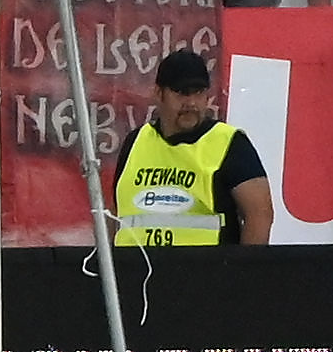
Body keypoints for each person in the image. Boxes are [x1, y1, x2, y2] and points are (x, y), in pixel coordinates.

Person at [107, 47, 273, 247]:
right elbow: (117, 215)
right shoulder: (136, 141)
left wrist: (243, 274)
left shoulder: (229, 142)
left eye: (199, 92)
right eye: (181, 93)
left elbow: (260, 215)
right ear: (159, 93)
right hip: (136, 274)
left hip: (205, 273)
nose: (192, 103)